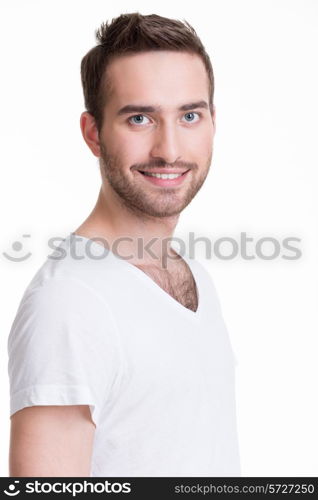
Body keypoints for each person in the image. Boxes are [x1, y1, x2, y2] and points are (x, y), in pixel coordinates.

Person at [7, 12, 241, 477]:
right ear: (94, 133)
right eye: (140, 118)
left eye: (189, 115)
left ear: (213, 122)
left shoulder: (189, 273)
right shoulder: (70, 303)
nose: (169, 148)